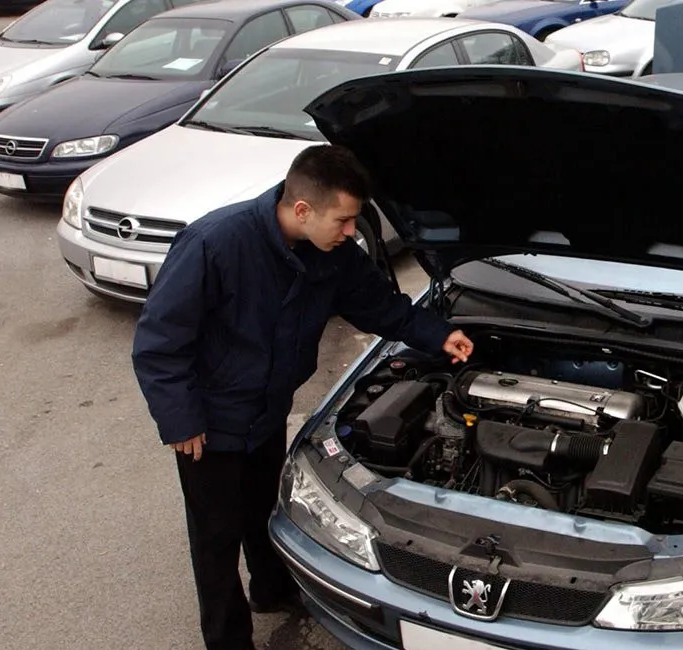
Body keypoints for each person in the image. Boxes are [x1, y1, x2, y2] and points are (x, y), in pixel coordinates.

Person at [131, 144, 474, 650]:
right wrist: (181, 421)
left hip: (267, 410)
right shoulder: (215, 244)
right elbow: (159, 343)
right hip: (210, 426)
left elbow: (379, 305)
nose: (351, 232)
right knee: (216, 538)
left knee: (263, 509)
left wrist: (437, 334)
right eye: (344, 220)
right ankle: (227, 640)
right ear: (301, 210)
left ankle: (270, 590)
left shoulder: (332, 253)